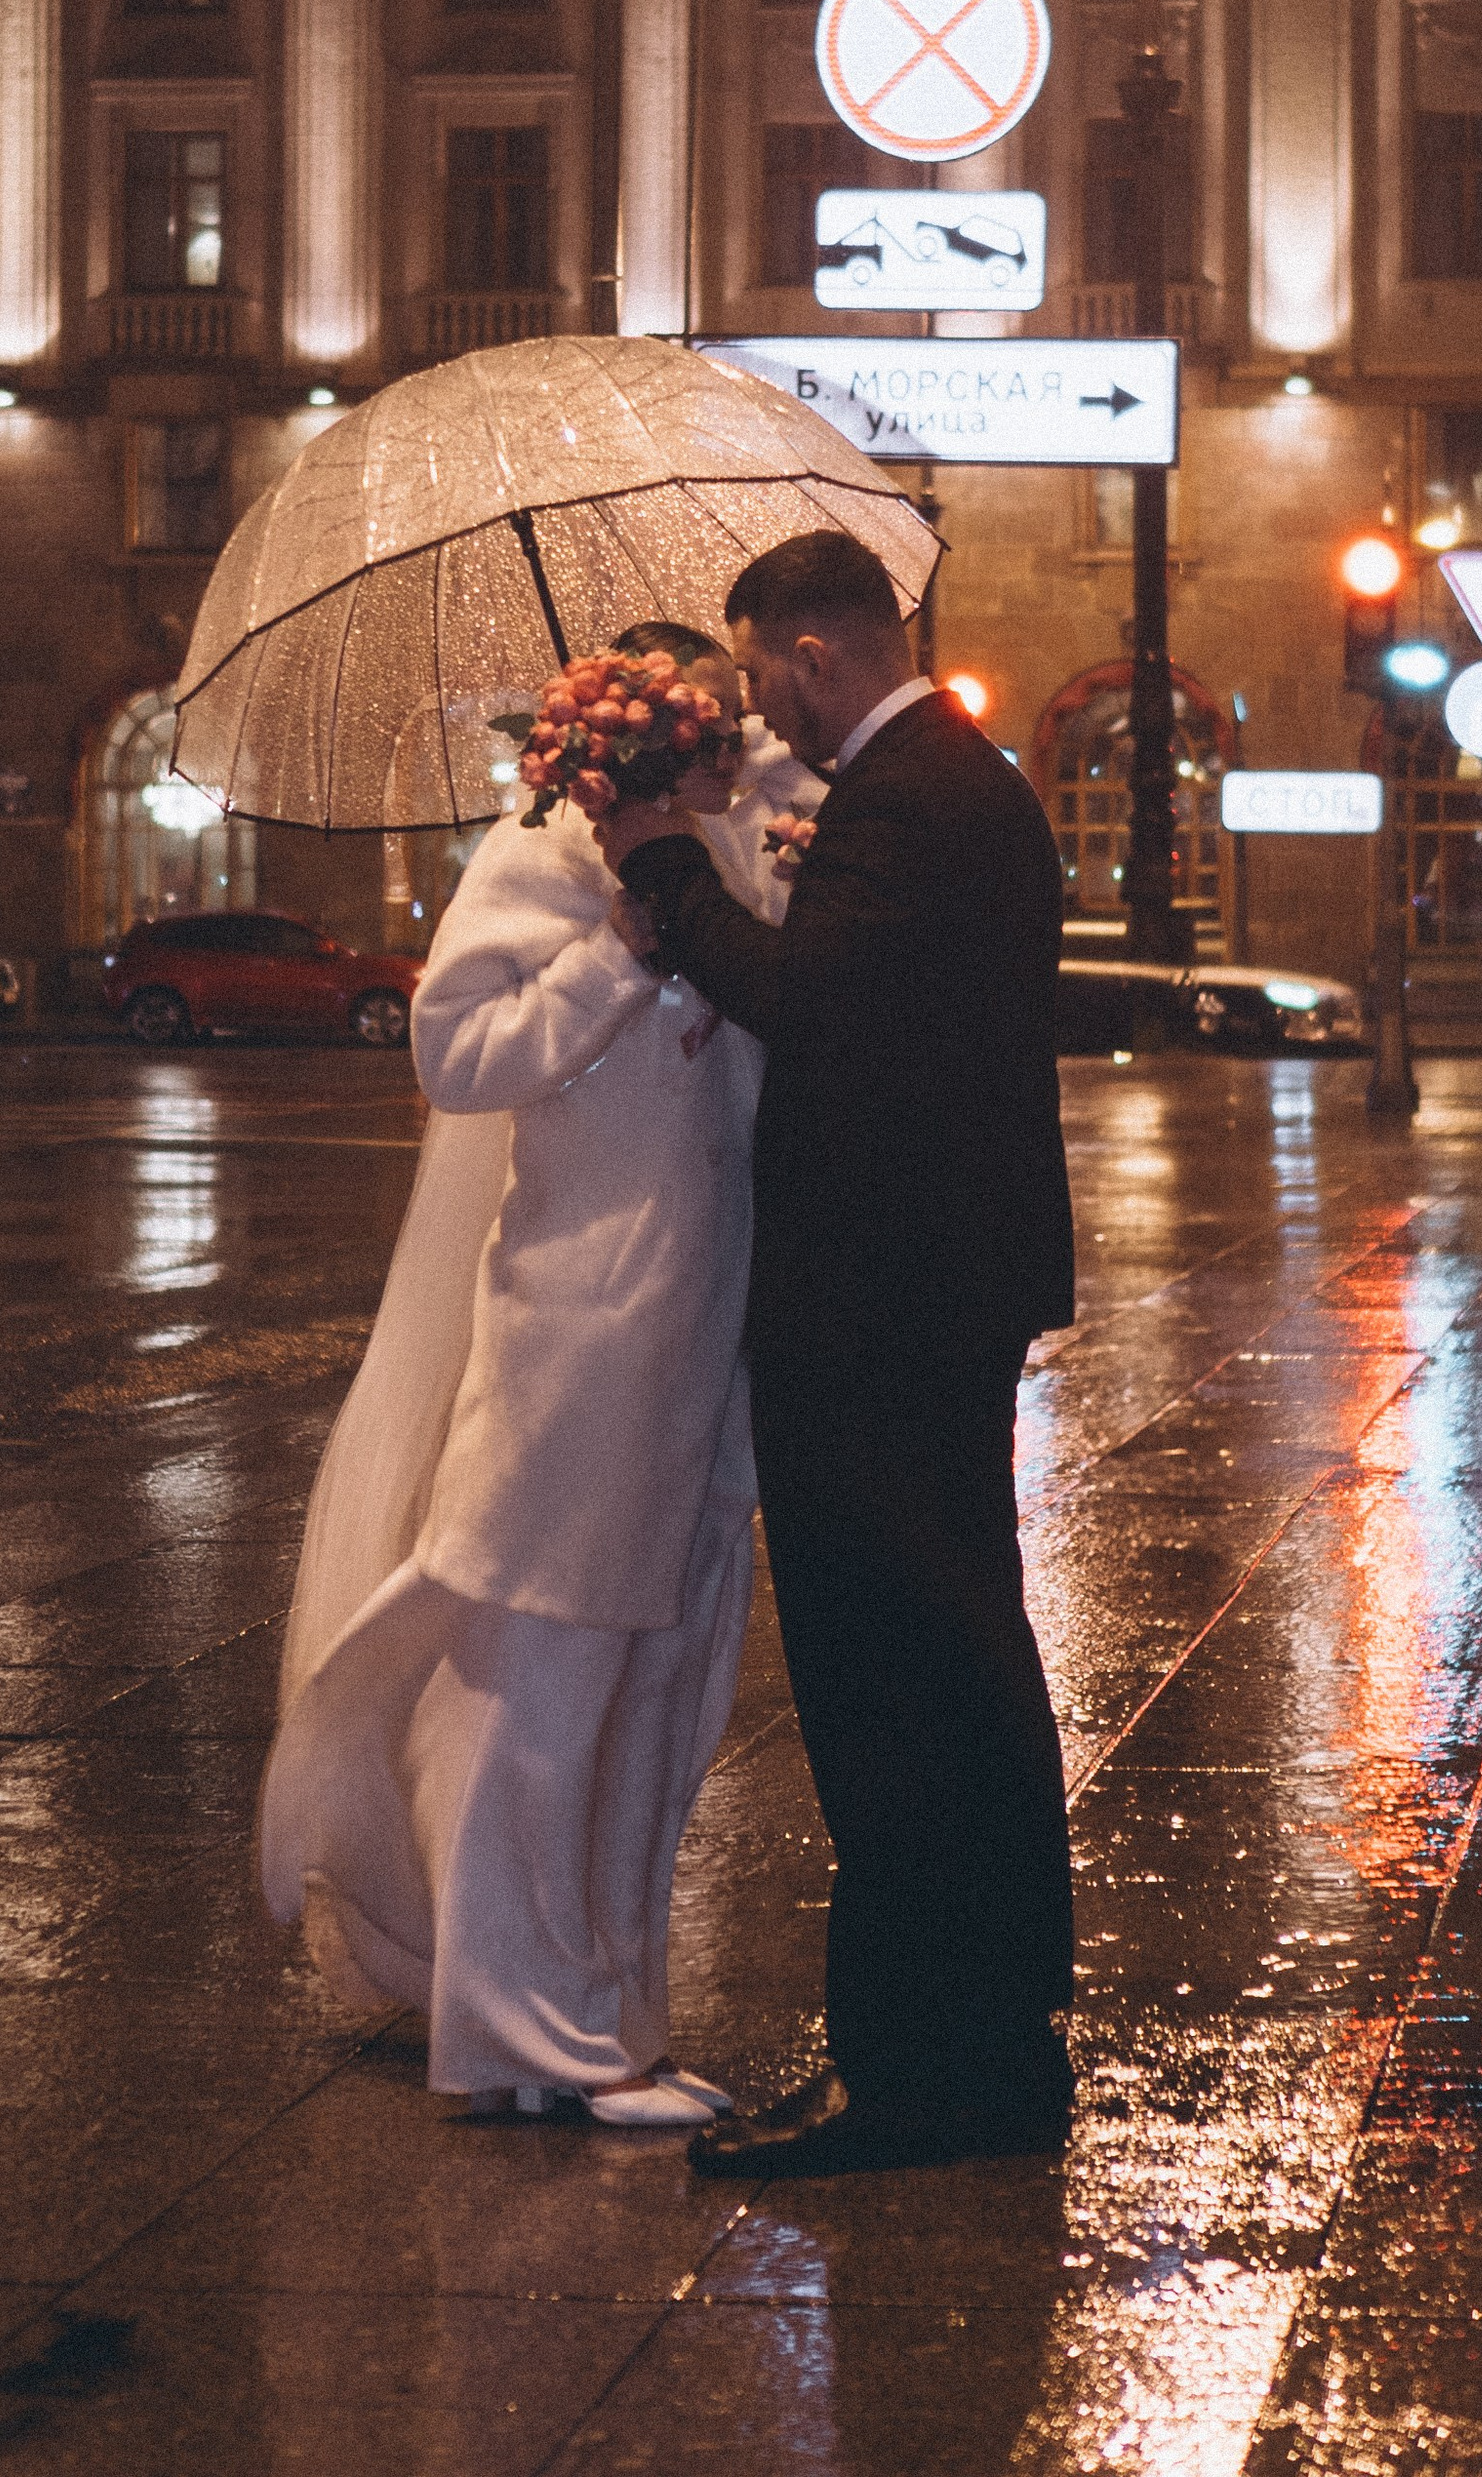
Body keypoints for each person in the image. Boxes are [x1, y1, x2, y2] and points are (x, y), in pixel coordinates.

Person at [258, 622, 815, 2127]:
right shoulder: (539, 864)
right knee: (538, 1687)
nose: (707, 753)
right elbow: (462, 1057)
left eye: (713, 732)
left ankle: (608, 2017)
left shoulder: (742, 853)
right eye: (684, 732)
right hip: (578, 1327)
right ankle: (511, 2029)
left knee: (660, 1688)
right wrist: (617, 952)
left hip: (707, 1334)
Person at [598, 529, 1076, 2179]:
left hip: (883, 1303)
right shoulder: (958, 784)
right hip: (933, 1290)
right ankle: (991, 2050)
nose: (748, 704)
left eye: (751, 671)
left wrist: (664, 868)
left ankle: (918, 2077)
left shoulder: (919, 791)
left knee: (892, 1688)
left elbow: (816, 1004)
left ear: (810, 653)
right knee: (958, 1663)